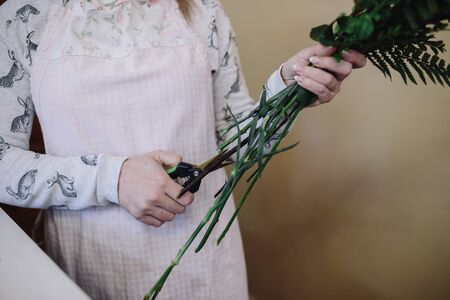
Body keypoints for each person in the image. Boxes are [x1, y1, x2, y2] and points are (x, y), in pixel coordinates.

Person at [0, 0, 366, 299]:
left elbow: (238, 143)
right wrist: (113, 177)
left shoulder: (202, 11)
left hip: (203, 266)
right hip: (89, 268)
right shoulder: (23, 18)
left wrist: (288, 89)